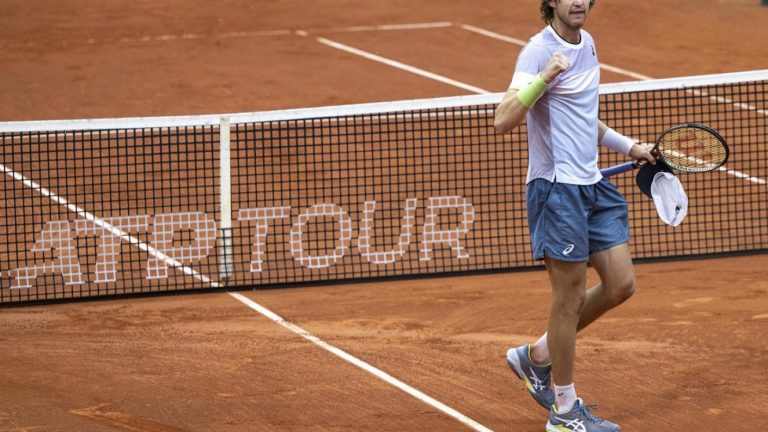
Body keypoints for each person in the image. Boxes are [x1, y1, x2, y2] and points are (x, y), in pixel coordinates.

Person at [494, 0, 655, 431]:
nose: (578, 0)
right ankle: (564, 413)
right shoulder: (537, 51)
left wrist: (629, 146)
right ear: (550, 3)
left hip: (593, 183)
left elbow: (586, 119)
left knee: (620, 283)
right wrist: (544, 78)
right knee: (569, 299)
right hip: (556, 189)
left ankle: (537, 357)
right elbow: (503, 119)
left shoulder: (588, 44)